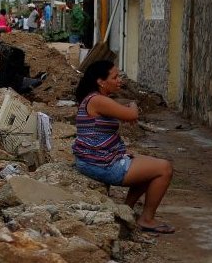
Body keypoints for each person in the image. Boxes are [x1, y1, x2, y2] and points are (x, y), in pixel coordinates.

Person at [73, 60, 175, 233]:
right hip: (100, 164)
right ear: (101, 81)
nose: (119, 80)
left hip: (93, 160)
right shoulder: (97, 100)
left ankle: (126, 209)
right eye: (115, 77)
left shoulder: (96, 99)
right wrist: (132, 104)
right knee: (164, 168)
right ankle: (147, 219)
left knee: (147, 162)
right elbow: (131, 115)